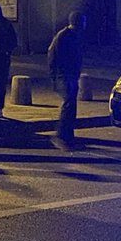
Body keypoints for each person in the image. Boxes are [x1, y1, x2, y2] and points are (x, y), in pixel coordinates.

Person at [47, 11, 86, 151]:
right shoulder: (63, 36)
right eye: (83, 21)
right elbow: (52, 55)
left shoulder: (75, 35)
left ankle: (69, 136)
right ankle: (61, 135)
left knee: (71, 105)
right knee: (68, 104)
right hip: (64, 76)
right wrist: (55, 76)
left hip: (71, 75)